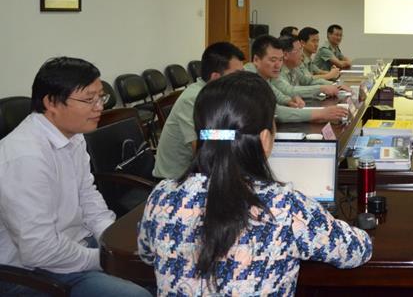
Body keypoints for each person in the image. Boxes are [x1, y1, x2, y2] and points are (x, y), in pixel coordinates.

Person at [138, 71, 372, 295]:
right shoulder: (284, 206)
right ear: (265, 139)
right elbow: (357, 250)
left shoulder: (162, 195)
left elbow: (147, 254)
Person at [0, 57, 151, 297]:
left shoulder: (72, 134)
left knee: (156, 265)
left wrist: (111, 240)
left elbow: (87, 195)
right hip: (33, 271)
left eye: (100, 97)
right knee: (139, 294)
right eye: (89, 99)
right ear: (51, 102)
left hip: (76, 244)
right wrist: (105, 259)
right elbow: (40, 250)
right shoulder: (24, 157)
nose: (99, 107)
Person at [153, 42, 245, 179]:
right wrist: (239, 136)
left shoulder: (218, 94)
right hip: (176, 179)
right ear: (216, 78)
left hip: (200, 170)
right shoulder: (193, 99)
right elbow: (203, 146)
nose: (242, 81)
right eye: (237, 75)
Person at [246, 34, 348, 124]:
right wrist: (320, 113)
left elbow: (275, 93)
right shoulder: (249, 78)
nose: (278, 65)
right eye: (273, 60)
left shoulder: (264, 75)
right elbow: (275, 110)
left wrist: (289, 100)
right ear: (256, 60)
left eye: (280, 60)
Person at [274, 35, 347, 100]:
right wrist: (321, 88)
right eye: (298, 50)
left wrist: (335, 85)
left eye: (301, 49)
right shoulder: (276, 71)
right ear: (285, 55)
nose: (302, 54)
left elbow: (308, 81)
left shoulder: (293, 67)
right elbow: (290, 91)